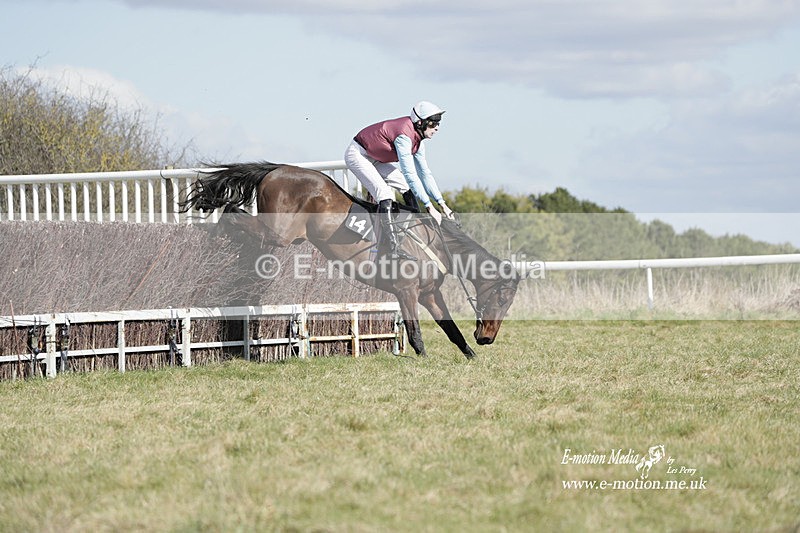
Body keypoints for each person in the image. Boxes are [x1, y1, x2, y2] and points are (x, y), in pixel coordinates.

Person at [344, 101, 454, 261]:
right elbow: (410, 173)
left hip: (374, 158)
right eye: (433, 123)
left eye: (438, 123)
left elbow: (425, 174)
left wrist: (442, 204)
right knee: (385, 193)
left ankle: (415, 233)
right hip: (359, 155)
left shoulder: (418, 140)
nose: (437, 127)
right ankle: (391, 248)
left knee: (406, 187)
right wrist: (430, 207)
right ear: (420, 123)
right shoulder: (404, 136)